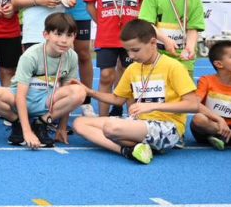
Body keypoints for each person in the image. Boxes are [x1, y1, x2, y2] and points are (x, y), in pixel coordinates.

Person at [78, 20, 197, 165]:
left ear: (153, 43)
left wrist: (152, 106)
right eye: (127, 50)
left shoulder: (173, 67)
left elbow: (193, 105)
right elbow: (117, 99)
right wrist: (90, 92)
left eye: (135, 50)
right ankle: (128, 150)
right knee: (80, 123)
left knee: (110, 128)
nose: (131, 55)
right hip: (138, 122)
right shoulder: (132, 68)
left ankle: (131, 145)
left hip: (168, 127)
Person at [0, 13, 86, 149]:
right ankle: (19, 124)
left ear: (74, 36)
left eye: (69, 35)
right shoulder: (31, 55)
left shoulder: (71, 57)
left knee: (79, 92)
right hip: (22, 98)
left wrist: (62, 128)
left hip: (48, 101)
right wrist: (27, 132)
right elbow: (21, 95)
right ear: (46, 35)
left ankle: (42, 123)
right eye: (58, 34)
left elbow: (67, 89)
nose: (64, 40)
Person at [84, 0, 150, 117]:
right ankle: (103, 119)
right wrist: (102, 23)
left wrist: (139, 24)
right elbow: (90, 4)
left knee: (130, 76)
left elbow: (145, 1)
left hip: (132, 36)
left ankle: (132, 118)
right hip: (107, 35)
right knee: (106, 75)